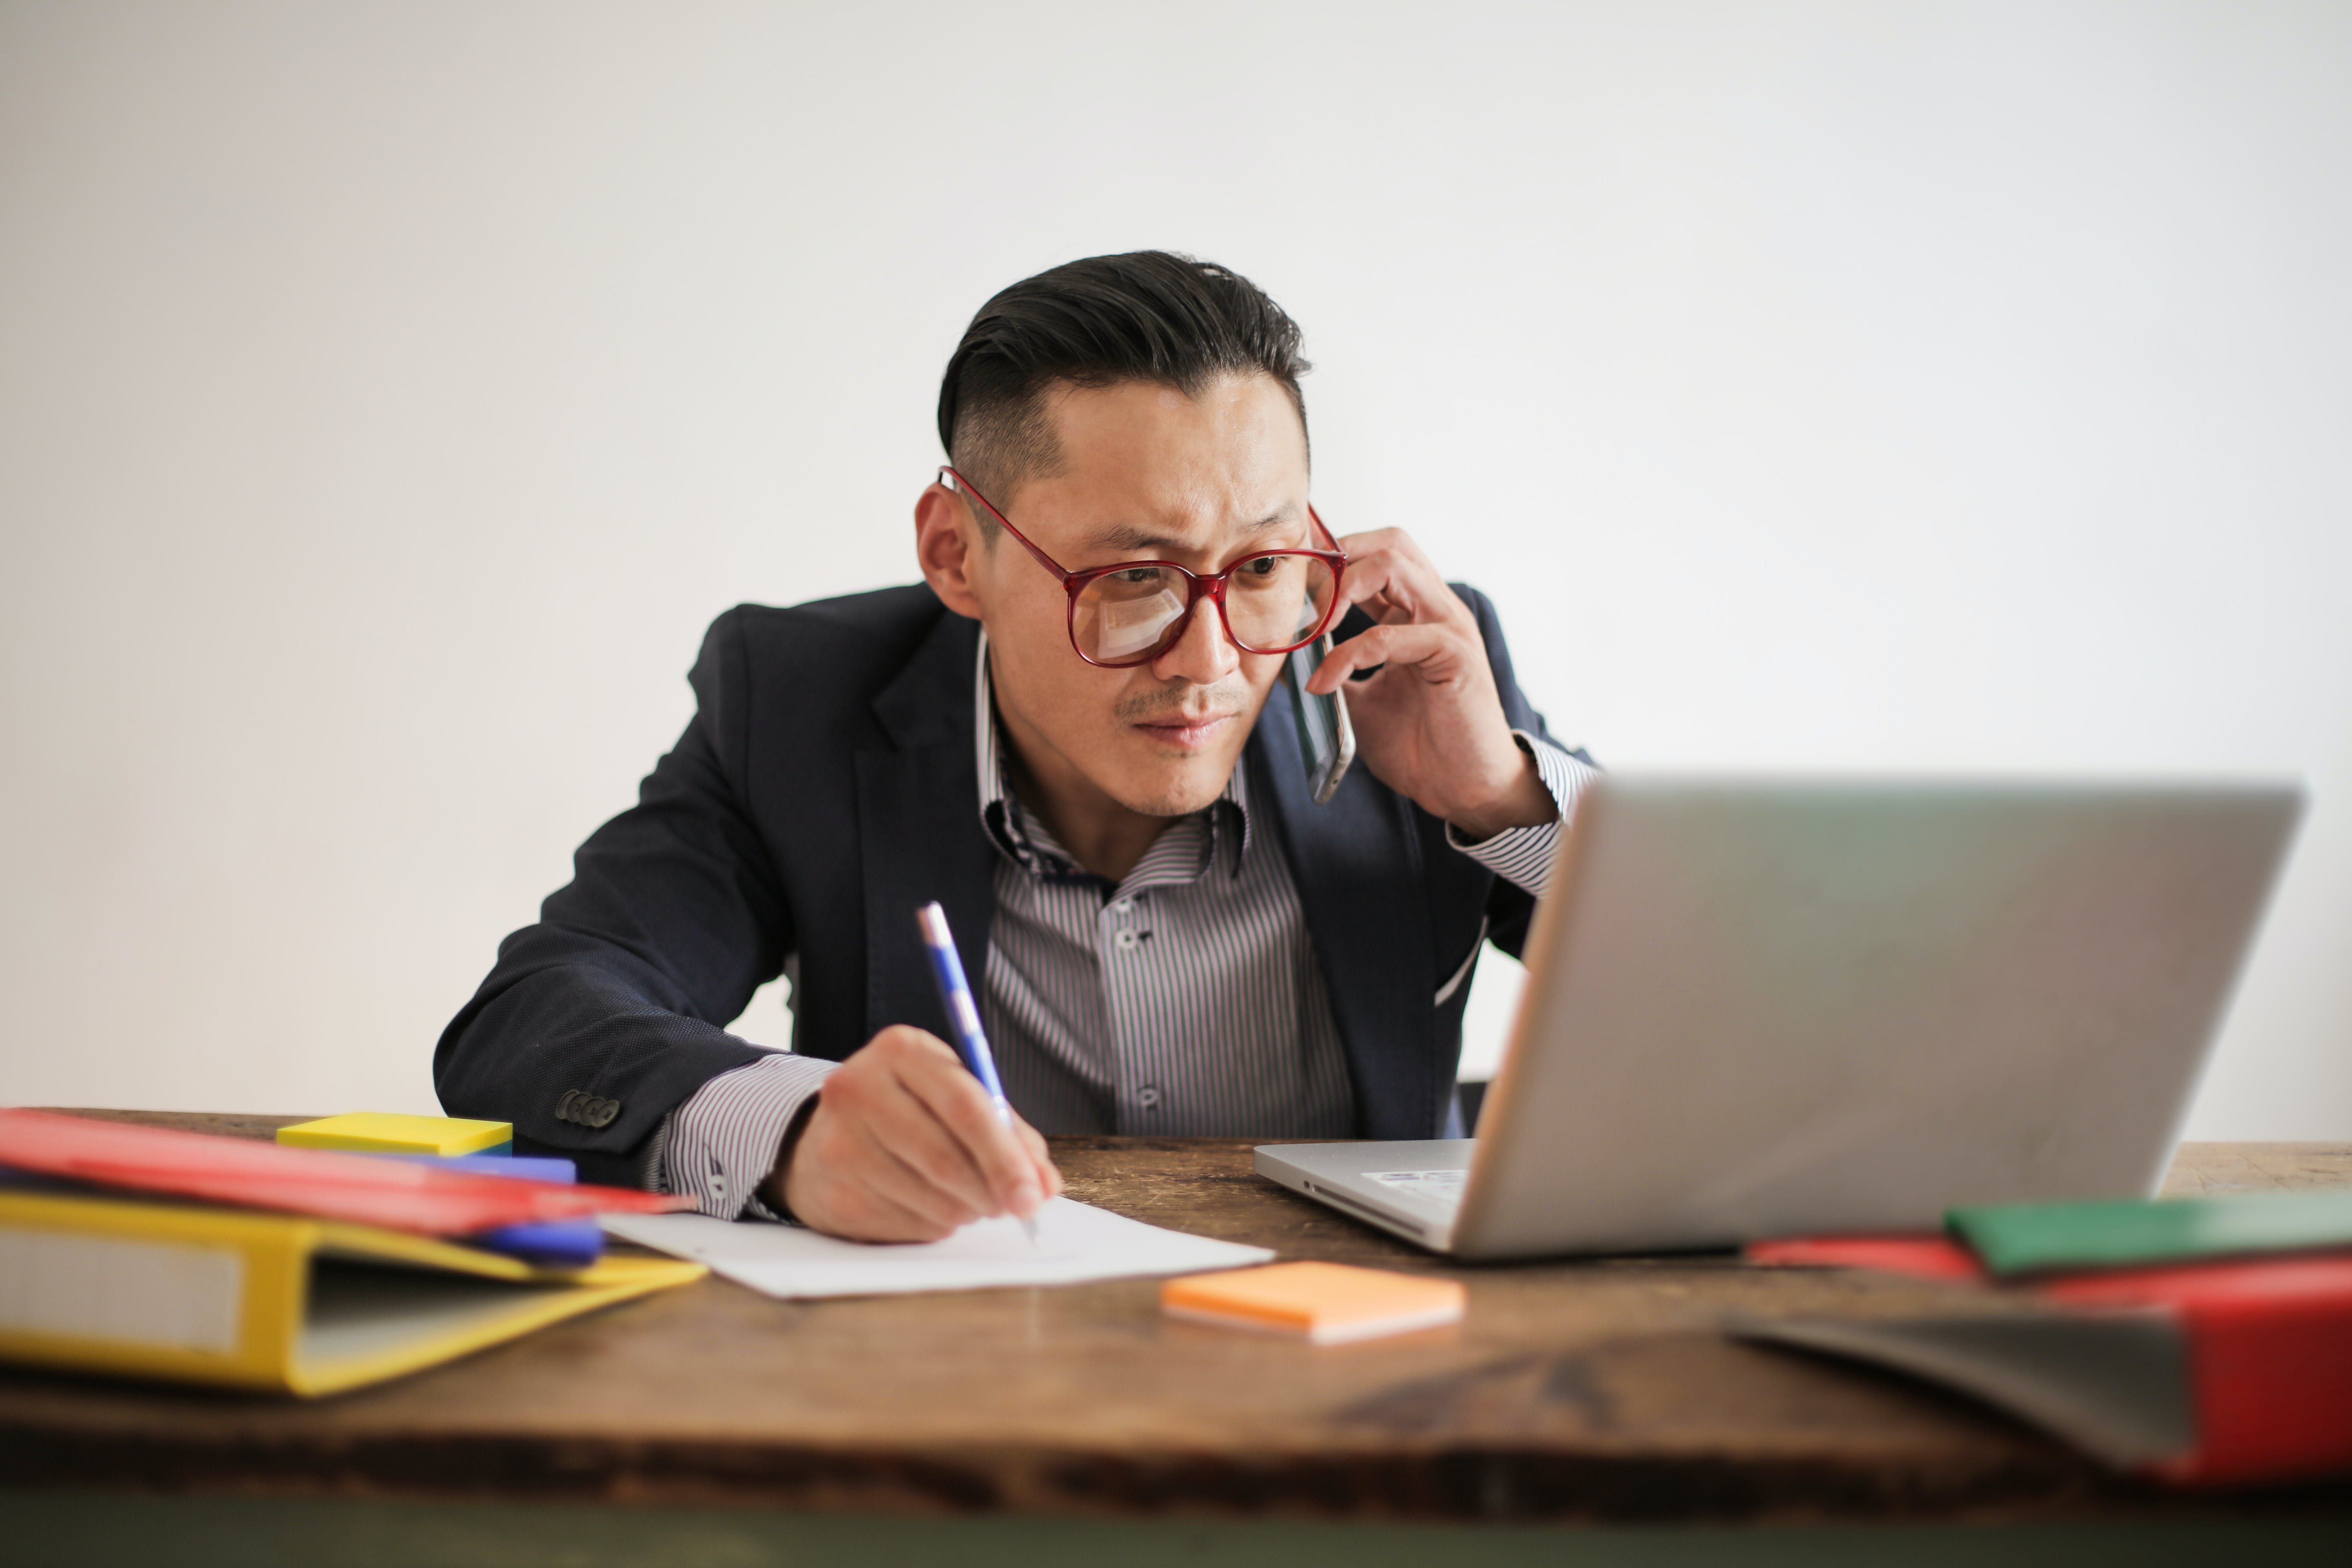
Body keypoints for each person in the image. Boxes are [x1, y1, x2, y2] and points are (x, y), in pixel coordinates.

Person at [436, 252, 1596, 1242]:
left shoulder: (1403, 676)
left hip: (1362, 1373)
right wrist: (792, 1132)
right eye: (1133, 578)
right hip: (967, 1375)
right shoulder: (801, 703)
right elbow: (538, 1013)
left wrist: (1501, 799)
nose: (1211, 660)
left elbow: (1746, 995)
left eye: (1259, 568)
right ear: (956, 554)